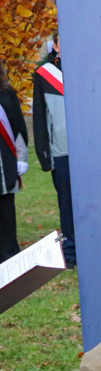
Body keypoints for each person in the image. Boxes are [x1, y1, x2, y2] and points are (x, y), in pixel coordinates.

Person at [33, 32, 76, 268]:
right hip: (61, 152)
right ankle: (70, 251)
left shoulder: (85, 69)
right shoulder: (43, 75)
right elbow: (40, 119)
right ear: (56, 47)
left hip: (88, 151)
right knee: (66, 204)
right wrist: (44, 155)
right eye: (63, 43)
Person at [0, 60, 29, 263]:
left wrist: (21, 158)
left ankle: (10, 258)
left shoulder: (7, 93)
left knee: (6, 213)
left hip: (5, 164)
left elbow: (17, 127)